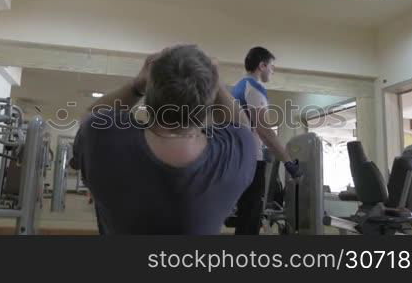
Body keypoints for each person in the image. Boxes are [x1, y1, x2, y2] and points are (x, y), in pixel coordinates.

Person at [73, 45, 257, 235]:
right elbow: (242, 126)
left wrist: (137, 86)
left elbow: (90, 117)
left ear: (149, 94)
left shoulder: (101, 138)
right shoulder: (234, 153)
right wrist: (216, 85)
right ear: (209, 101)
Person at [231, 46, 302, 235]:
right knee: (250, 217)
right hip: (250, 159)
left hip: (240, 157)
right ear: (262, 65)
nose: (273, 70)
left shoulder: (239, 85)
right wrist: (288, 162)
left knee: (247, 215)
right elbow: (265, 130)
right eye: (271, 66)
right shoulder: (254, 87)